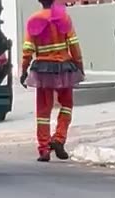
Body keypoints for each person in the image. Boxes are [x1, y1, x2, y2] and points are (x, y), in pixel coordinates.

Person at [20, 0, 84, 162]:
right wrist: (79, 65)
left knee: (43, 111)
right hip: (64, 67)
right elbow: (74, 45)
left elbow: (28, 49)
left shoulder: (34, 19)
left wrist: (23, 70)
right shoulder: (63, 18)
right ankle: (59, 139)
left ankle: (44, 149)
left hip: (43, 70)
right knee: (67, 105)